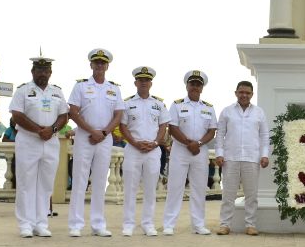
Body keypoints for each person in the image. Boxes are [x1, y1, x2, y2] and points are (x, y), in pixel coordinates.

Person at [66, 49, 124, 237]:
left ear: (107, 66)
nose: (99, 66)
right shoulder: (81, 86)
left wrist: (104, 132)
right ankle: (75, 224)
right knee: (80, 180)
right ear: (91, 65)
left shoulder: (114, 89)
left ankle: (98, 224)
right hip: (85, 136)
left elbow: (118, 114)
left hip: (104, 138)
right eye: (96, 62)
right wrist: (91, 131)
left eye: (102, 63)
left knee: (100, 180)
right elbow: (73, 111)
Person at [9, 55, 68, 238]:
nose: (42, 73)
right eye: (39, 70)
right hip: (28, 141)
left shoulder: (57, 92)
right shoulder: (23, 91)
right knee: (26, 183)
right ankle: (26, 224)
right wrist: (38, 130)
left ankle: (41, 222)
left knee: (45, 184)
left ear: (50, 72)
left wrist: (52, 129)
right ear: (32, 71)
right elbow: (16, 115)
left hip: (51, 141)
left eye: (45, 70)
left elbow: (64, 115)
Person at [163, 70, 217, 236]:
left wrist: (198, 143)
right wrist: (188, 143)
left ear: (202, 88)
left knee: (199, 188)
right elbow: (172, 127)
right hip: (181, 149)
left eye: (198, 84)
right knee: (175, 187)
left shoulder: (209, 107)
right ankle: (169, 224)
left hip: (200, 150)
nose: (195, 87)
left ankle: (198, 224)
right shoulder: (177, 105)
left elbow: (212, 130)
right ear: (187, 86)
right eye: (192, 84)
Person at [214, 80, 270, 235]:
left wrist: (264, 155)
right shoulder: (227, 111)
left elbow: (265, 136)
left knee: (251, 194)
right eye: (241, 92)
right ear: (236, 93)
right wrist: (219, 153)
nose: (244, 95)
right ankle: (225, 224)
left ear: (252, 94)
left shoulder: (259, 112)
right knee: (228, 194)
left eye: (247, 92)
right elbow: (220, 135)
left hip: (252, 158)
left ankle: (250, 225)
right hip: (230, 158)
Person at [120, 66, 166, 236]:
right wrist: (134, 142)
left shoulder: (159, 104)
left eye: (147, 80)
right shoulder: (127, 103)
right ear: (135, 82)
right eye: (141, 80)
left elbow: (163, 126)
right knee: (130, 188)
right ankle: (128, 224)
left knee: (150, 189)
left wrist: (155, 143)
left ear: (151, 83)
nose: (144, 83)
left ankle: (148, 223)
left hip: (153, 150)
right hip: (133, 149)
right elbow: (122, 126)